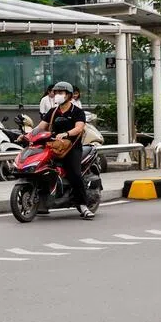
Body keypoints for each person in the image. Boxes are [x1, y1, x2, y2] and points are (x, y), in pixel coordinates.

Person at [32, 80, 93, 219]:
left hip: (71, 148)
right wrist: (27, 135)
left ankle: (83, 205)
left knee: (75, 174)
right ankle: (42, 201)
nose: (57, 95)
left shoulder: (77, 111)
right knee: (41, 169)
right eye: (56, 92)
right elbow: (40, 127)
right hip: (53, 147)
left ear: (69, 95)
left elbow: (79, 128)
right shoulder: (53, 112)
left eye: (60, 92)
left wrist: (66, 134)